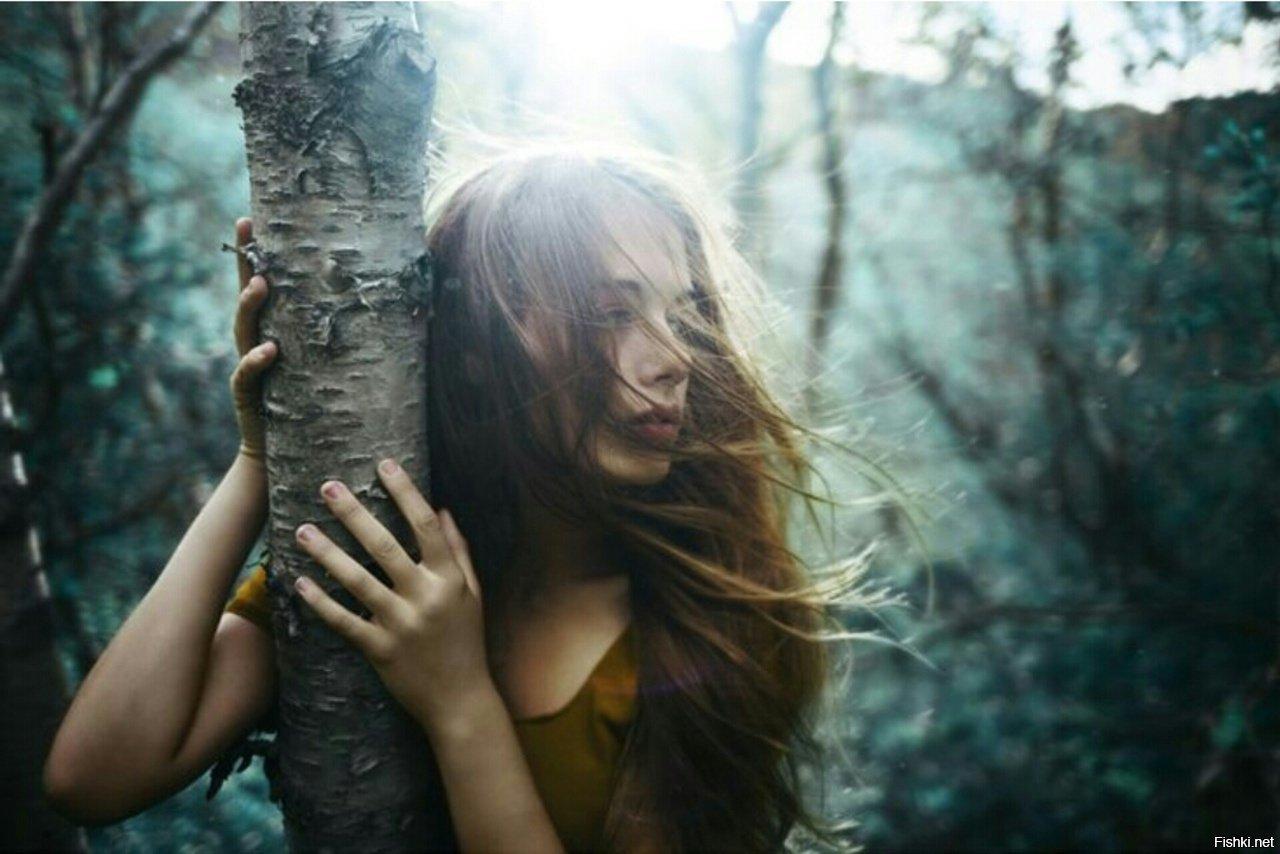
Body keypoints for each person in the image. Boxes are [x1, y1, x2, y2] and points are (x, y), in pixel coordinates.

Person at [43, 140, 899, 852]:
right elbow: (94, 776)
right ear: (476, 350)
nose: (675, 358)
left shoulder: (715, 624)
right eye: (612, 314)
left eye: (682, 314)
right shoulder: (387, 565)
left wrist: (460, 706)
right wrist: (263, 451)